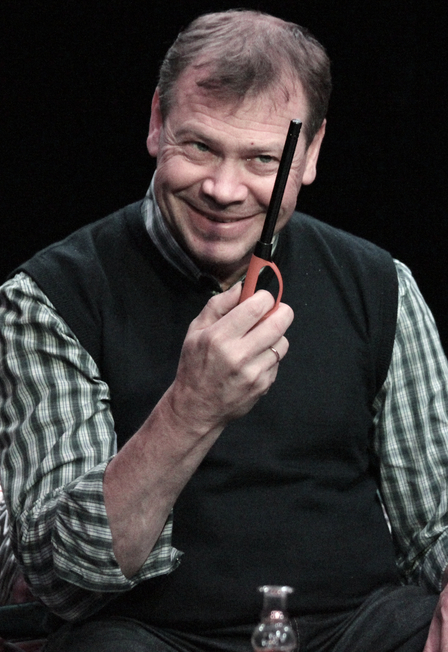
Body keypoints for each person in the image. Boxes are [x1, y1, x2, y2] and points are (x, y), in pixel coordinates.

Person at [0, 9, 448, 652]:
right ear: (157, 122)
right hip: (155, 635)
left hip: (357, 627)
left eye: (263, 159)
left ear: (310, 153)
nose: (224, 189)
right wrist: (191, 409)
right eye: (200, 146)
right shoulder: (49, 299)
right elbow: (62, 580)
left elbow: (434, 529)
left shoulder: (381, 287)